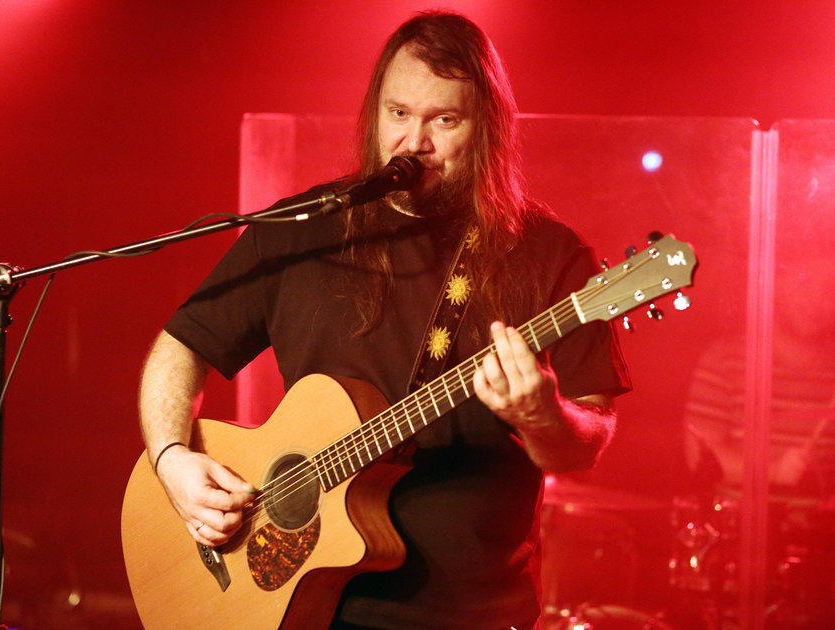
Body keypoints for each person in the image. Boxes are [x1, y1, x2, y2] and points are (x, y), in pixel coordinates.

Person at [138, 11, 630, 630]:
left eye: (443, 121)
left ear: (486, 129)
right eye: (398, 113)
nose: (412, 142)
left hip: (468, 613)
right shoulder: (302, 230)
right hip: (299, 609)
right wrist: (172, 458)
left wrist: (543, 415)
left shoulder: (548, 254)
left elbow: (585, 444)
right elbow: (180, 346)